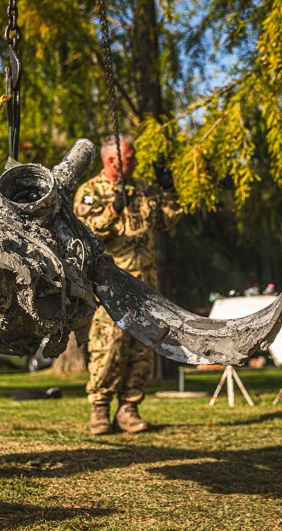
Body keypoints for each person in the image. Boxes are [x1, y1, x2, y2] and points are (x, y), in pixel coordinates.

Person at [74, 134, 183, 434]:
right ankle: (99, 409)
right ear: (112, 161)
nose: (136, 162)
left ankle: (129, 409)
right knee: (108, 348)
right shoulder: (90, 191)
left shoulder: (142, 189)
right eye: (131, 157)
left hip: (144, 287)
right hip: (111, 289)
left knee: (141, 349)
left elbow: (167, 219)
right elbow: (84, 232)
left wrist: (169, 189)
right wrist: (113, 210)